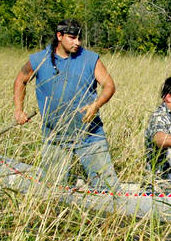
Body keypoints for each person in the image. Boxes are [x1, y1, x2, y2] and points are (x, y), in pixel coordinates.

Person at [13, 19, 121, 191]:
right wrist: (19, 110)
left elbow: (109, 86)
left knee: (108, 188)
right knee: (53, 190)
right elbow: (20, 81)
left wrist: (96, 105)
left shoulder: (90, 59)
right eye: (72, 38)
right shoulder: (39, 59)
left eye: (79, 38)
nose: (77, 43)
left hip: (89, 134)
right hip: (55, 137)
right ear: (59, 36)